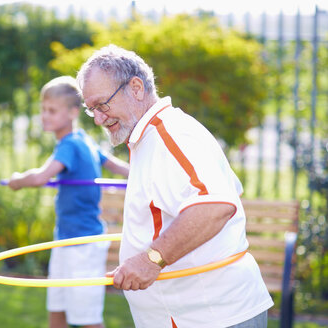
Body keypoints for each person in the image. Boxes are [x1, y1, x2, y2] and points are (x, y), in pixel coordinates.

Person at [76, 44, 273, 328]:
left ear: (136, 87)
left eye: (102, 105)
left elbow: (216, 205)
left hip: (212, 317)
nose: (98, 118)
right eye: (90, 108)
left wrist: (150, 260)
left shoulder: (171, 136)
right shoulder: (149, 138)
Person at [6, 75, 129, 328]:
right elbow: (116, 166)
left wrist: (18, 180)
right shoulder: (83, 139)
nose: (45, 116)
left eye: (52, 110)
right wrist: (136, 172)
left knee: (87, 319)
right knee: (57, 312)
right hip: (65, 239)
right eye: (43, 109)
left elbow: (41, 176)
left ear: (73, 112)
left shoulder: (71, 145)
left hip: (83, 245)